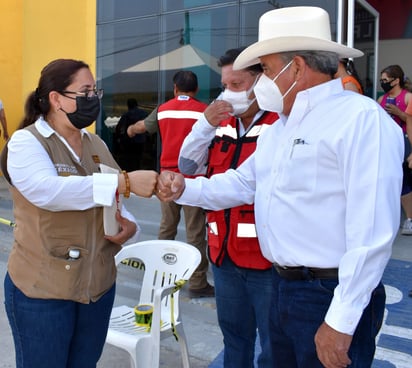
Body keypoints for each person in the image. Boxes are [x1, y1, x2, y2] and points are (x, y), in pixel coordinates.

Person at [156, 6, 404, 368]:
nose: (262, 82)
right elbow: (242, 182)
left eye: (268, 70)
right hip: (282, 287)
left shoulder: (361, 120)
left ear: (297, 68)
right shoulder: (282, 129)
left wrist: (341, 320)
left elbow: (373, 233)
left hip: (328, 294)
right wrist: (182, 190)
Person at [1, 58, 158, 368]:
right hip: (42, 292)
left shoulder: (95, 142)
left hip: (96, 290)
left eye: (95, 90)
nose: (93, 98)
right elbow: (48, 192)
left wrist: (131, 227)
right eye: (84, 91)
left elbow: (117, 206)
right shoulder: (27, 142)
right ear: (56, 99)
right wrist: (124, 180)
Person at [178, 47, 278, 367]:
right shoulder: (222, 124)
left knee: (275, 345)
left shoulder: (280, 125)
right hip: (223, 256)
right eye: (224, 85)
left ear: (260, 83)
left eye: (236, 85)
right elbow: (187, 164)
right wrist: (204, 125)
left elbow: (245, 187)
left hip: (267, 261)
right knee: (234, 340)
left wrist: (181, 190)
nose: (227, 93)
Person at [128, 70, 214, 298]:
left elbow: (142, 127)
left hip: (166, 180)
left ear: (175, 89)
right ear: (195, 90)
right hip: (193, 181)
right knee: (195, 233)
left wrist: (130, 129)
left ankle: (160, 277)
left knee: (167, 229)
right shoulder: (204, 111)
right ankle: (197, 283)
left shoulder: (163, 109)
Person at [377, 65, 412, 235]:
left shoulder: (407, 97)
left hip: (405, 140)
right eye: (381, 80)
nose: (383, 83)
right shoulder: (381, 99)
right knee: (391, 179)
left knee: (405, 180)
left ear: (396, 80)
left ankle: (409, 219)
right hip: (387, 142)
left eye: (386, 80)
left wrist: (399, 113)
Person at [112, 98, 148, 171]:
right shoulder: (144, 113)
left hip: (129, 142)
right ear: (136, 104)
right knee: (138, 159)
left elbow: (119, 128)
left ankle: (131, 174)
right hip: (141, 141)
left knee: (129, 160)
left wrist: (118, 138)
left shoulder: (126, 115)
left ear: (128, 105)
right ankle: (138, 171)